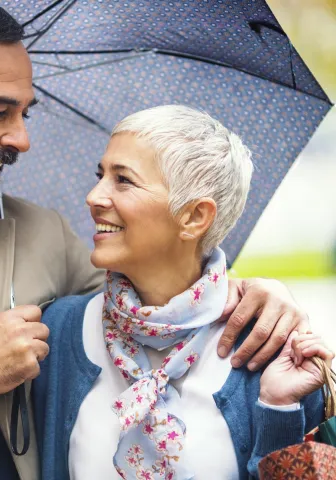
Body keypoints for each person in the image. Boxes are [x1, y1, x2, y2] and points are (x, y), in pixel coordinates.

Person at [0, 0, 317, 479]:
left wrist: (256, 294)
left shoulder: (42, 234)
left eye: (24, 115)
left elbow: (157, 288)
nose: (20, 140)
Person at [33, 105, 333, 480]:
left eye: (123, 180)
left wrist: (278, 410)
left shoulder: (271, 350)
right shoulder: (58, 331)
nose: (94, 196)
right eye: (101, 175)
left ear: (194, 217)